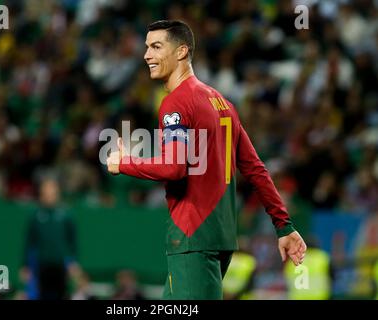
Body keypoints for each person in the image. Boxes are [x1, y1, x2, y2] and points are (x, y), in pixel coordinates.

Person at [106, 20, 306, 300]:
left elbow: (174, 167)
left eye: (156, 47)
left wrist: (124, 163)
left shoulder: (177, 102)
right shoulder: (222, 103)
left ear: (181, 52)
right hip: (219, 236)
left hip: (193, 238)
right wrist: (283, 225)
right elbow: (255, 169)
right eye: (146, 47)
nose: (146, 55)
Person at [20, 177, 81, 300]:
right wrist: (25, 266)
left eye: (52, 193)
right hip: (41, 265)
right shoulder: (35, 216)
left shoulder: (66, 216)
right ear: (41, 195)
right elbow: (29, 242)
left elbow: (72, 241)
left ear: (57, 195)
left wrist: (73, 263)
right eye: (46, 193)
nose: (49, 197)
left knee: (62, 295)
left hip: (61, 266)